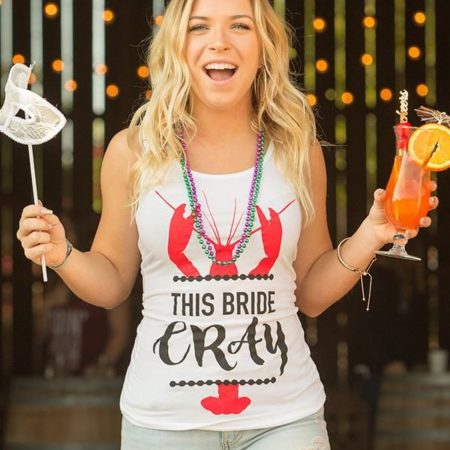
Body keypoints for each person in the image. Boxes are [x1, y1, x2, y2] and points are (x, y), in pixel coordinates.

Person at [16, 0, 438, 448]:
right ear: (178, 44)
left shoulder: (298, 149)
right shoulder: (133, 151)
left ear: (264, 46)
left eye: (239, 25)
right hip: (164, 424)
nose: (219, 41)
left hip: (285, 420)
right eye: (199, 27)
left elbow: (312, 295)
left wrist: (371, 234)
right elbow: (112, 282)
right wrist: (61, 254)